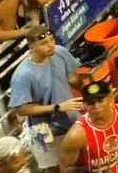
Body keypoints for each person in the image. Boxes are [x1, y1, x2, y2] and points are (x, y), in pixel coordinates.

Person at [9, 28, 79, 173]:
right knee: (53, 168)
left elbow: (71, 77)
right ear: (31, 46)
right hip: (44, 131)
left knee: (77, 162)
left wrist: (90, 90)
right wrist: (57, 107)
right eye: (44, 43)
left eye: (52, 40)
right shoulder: (23, 75)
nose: (51, 45)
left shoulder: (59, 52)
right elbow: (21, 109)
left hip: (71, 122)